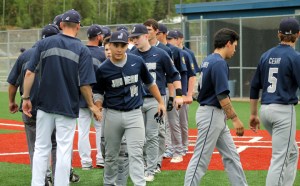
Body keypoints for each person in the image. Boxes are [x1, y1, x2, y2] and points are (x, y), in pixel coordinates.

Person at [22, 9, 101, 185]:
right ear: (79, 26)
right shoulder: (82, 49)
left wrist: (26, 98)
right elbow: (85, 85)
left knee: (41, 148)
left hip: (44, 106)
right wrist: (91, 105)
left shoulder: (44, 43)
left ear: (60, 25)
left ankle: (37, 183)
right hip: (68, 107)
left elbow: (29, 73)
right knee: (64, 149)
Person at [93, 30, 166, 186]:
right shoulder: (103, 69)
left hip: (134, 114)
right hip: (112, 114)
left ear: (128, 45)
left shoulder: (137, 62)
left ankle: (139, 184)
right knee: (111, 155)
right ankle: (109, 183)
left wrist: (160, 102)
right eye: (115, 45)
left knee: (136, 154)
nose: (119, 49)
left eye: (123, 45)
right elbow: (98, 92)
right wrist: (98, 106)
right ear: (109, 46)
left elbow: (150, 83)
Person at [184, 28, 247, 186]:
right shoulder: (219, 62)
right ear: (228, 43)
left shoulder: (208, 59)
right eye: (234, 45)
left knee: (232, 156)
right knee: (200, 160)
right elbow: (222, 96)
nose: (235, 49)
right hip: (211, 114)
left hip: (213, 114)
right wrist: (236, 118)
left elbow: (198, 92)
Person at [249, 17, 300, 186]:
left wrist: (253, 114)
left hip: (265, 110)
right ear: (298, 35)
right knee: (280, 158)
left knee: (292, 152)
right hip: (283, 111)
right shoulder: (295, 56)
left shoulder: (266, 55)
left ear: (279, 34)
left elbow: (254, 87)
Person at [129, 24, 183, 182]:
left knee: (152, 135)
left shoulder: (161, 54)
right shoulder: (131, 54)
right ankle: (143, 164)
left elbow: (174, 75)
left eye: (137, 37)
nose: (135, 41)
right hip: (136, 101)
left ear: (146, 36)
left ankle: (151, 168)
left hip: (155, 101)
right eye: (133, 38)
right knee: (139, 137)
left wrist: (177, 95)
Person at [8, 24, 60, 186]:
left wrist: (12, 102)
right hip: (53, 107)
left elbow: (12, 83)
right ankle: (59, 179)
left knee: (35, 147)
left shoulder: (26, 55)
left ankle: (41, 180)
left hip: (29, 107)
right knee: (55, 145)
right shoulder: (58, 54)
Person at [77, 24, 105, 170]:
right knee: (100, 128)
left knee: (83, 130)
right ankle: (101, 159)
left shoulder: (80, 50)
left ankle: (85, 162)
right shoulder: (102, 53)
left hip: (81, 95)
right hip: (98, 97)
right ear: (99, 36)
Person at [166, 30, 197, 162]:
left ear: (180, 39)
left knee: (182, 121)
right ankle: (172, 147)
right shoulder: (167, 51)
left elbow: (191, 75)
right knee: (170, 122)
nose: (170, 41)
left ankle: (183, 146)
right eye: (169, 38)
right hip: (170, 91)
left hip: (181, 92)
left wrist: (188, 94)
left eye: (172, 38)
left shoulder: (186, 53)